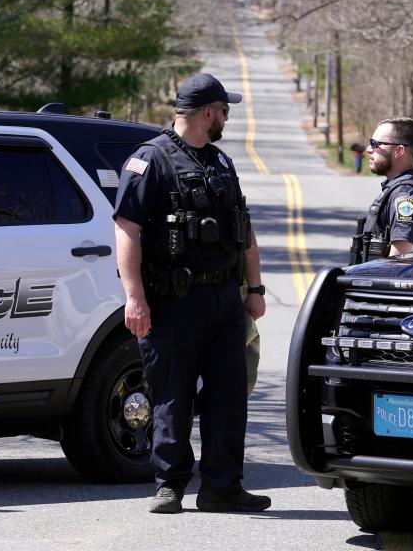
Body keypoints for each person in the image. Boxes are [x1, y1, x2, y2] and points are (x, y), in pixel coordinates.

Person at [113, 73, 271, 515]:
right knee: (172, 395)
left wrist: (254, 288)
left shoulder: (220, 162)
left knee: (228, 395)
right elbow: (126, 228)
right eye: (224, 110)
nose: (226, 118)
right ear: (208, 112)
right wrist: (135, 297)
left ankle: (223, 486)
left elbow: (244, 228)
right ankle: (170, 485)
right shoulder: (151, 161)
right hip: (173, 300)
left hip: (224, 298)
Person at [350, 116, 413, 263]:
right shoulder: (395, 189)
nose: (369, 149)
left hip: (383, 283)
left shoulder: (405, 195)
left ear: (399, 151)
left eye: (375, 144)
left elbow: (400, 260)